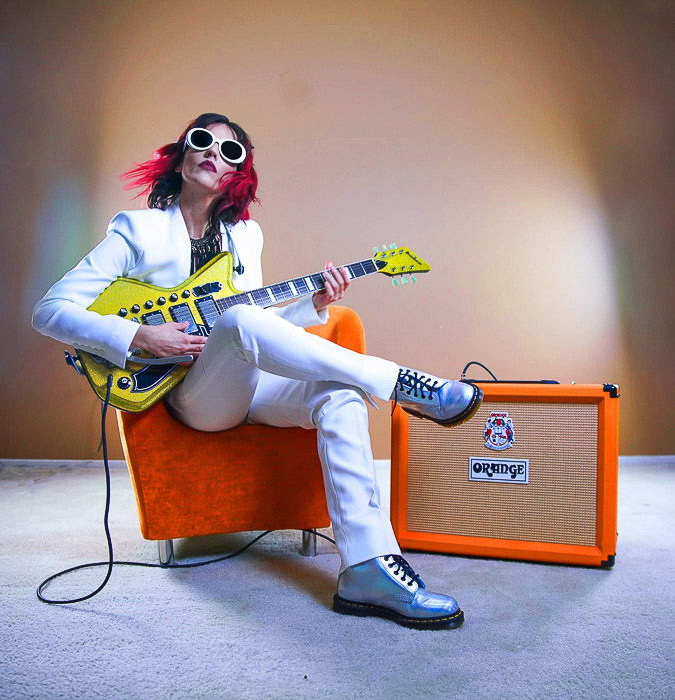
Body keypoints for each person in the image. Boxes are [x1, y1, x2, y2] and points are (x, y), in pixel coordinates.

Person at [32, 112, 482, 630]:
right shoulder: (137, 229)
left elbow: (257, 329)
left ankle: (368, 569)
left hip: (248, 379)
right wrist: (138, 336)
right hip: (192, 395)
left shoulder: (246, 236)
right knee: (241, 317)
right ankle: (401, 382)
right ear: (180, 157)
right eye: (202, 142)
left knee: (339, 396)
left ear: (238, 174)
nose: (213, 155)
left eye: (231, 152)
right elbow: (49, 309)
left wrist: (312, 303)